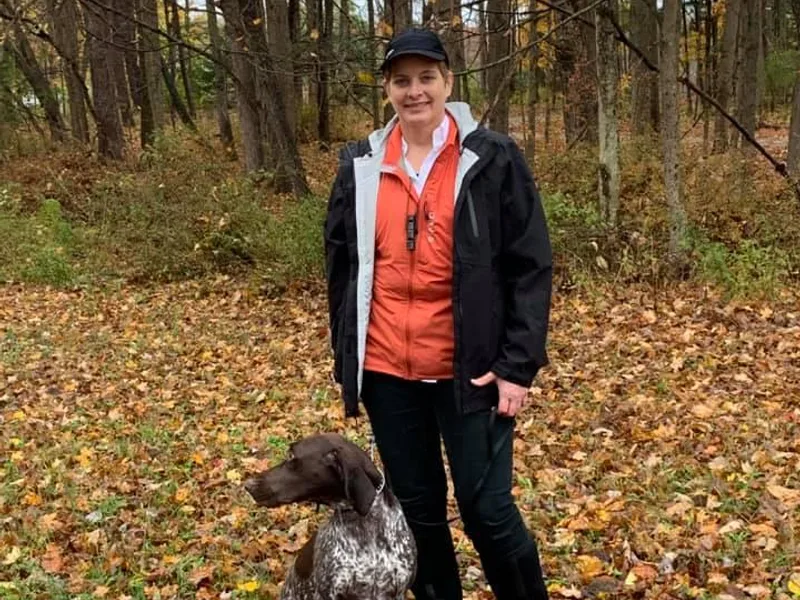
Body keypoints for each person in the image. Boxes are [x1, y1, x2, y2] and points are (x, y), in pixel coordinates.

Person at [323, 27, 552, 600]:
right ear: (387, 90)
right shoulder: (360, 165)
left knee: (487, 510)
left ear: (448, 82)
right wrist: (348, 358)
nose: (415, 91)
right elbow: (341, 268)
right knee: (417, 512)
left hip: (471, 373)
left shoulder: (491, 158)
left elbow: (530, 265)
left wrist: (517, 366)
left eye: (427, 77)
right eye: (402, 80)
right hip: (387, 372)